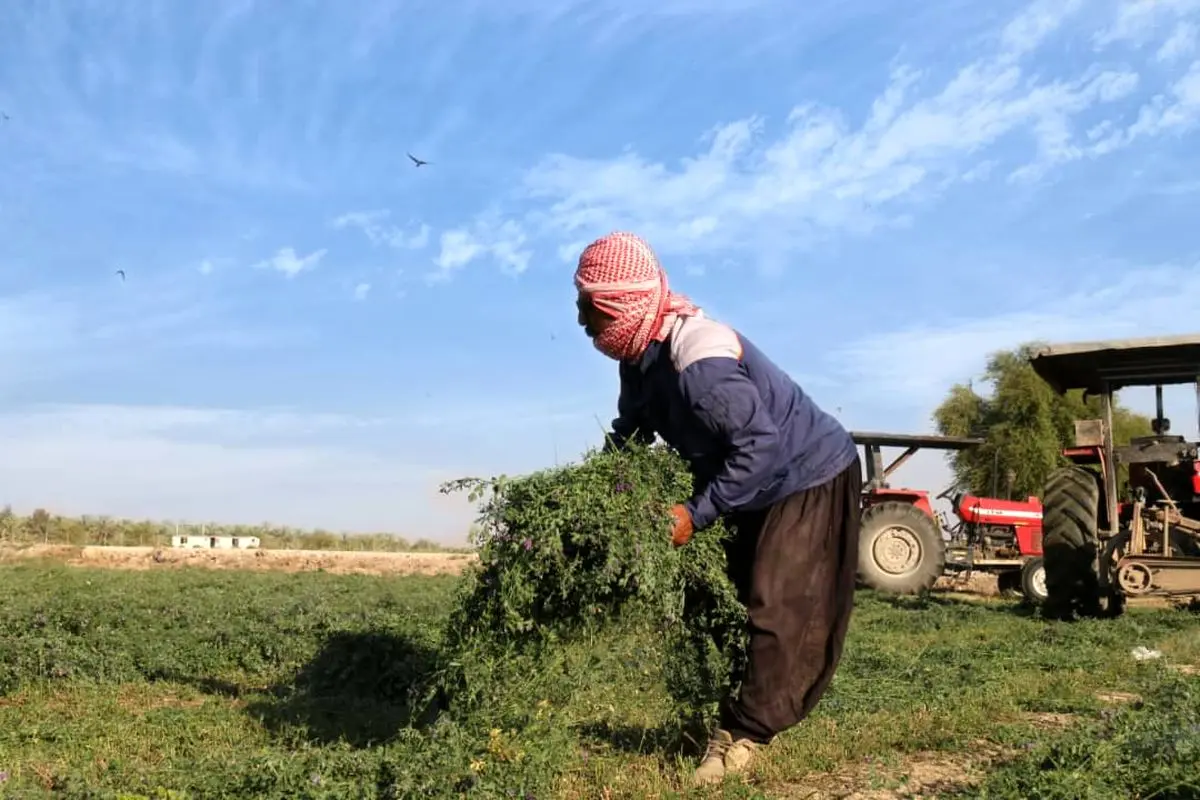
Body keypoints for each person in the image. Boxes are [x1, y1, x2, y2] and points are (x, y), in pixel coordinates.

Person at [573, 231, 863, 787]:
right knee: (727, 600)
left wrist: (693, 514)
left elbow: (761, 446)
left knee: (774, 605)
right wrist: (594, 497)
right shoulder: (637, 362)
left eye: (590, 309)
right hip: (749, 479)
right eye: (580, 307)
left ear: (622, 305)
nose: (583, 323)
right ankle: (738, 706)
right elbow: (629, 435)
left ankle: (743, 736)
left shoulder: (697, 360)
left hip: (805, 472)